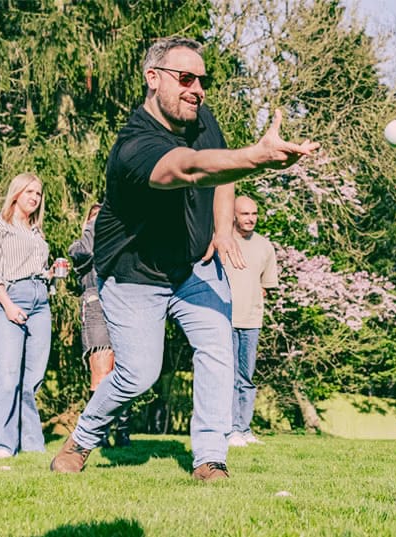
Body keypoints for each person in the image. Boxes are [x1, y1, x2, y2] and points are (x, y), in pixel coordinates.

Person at [50, 36, 319, 479]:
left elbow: (222, 171)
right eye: (186, 78)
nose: (197, 90)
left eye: (202, 81)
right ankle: (82, 438)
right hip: (134, 275)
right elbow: (189, 168)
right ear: (153, 78)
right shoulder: (134, 146)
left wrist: (222, 228)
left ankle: (210, 458)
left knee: (218, 350)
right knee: (138, 375)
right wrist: (257, 157)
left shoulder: (200, 118)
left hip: (193, 268)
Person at [0, 172, 56, 459]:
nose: (35, 197)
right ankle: (0, 445)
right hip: (7, 298)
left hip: (40, 301)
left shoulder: (36, 232)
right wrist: (8, 305)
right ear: (16, 193)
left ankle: (31, 444)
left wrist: (49, 275)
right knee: (8, 375)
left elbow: (31, 268)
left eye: (39, 193)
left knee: (32, 378)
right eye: (29, 191)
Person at [68, 203, 131, 448]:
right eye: (94, 218)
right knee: (101, 368)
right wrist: (94, 227)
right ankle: (99, 432)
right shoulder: (81, 247)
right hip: (96, 303)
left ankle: (123, 430)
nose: (100, 221)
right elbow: (81, 253)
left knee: (124, 369)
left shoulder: (119, 243)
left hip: (122, 303)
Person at [224, 196, 278, 447]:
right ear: (234, 215)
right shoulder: (222, 241)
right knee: (228, 376)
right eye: (245, 214)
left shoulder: (265, 246)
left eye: (254, 214)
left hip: (251, 321)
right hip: (225, 319)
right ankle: (230, 429)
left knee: (246, 377)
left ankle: (244, 428)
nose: (251, 218)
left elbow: (266, 285)